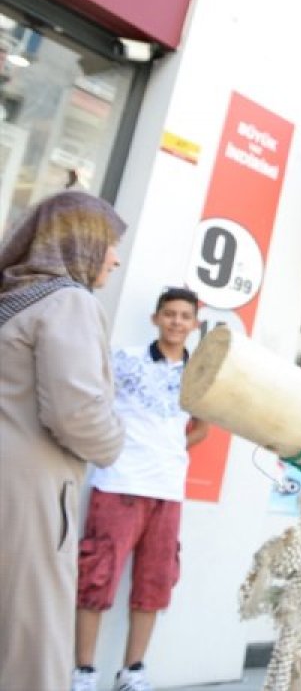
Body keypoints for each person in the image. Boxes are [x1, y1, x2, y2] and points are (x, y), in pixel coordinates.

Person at [0, 190, 126, 691]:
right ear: (81, 242)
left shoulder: (12, 300)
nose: (115, 257)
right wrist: (116, 442)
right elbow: (76, 413)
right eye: (109, 243)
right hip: (31, 493)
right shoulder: (68, 301)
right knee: (31, 644)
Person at [71, 287, 209, 691]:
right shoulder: (124, 359)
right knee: (95, 580)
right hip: (118, 484)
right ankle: (83, 672)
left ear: (195, 324)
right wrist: (118, 448)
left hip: (168, 491)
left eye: (185, 316)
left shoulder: (198, 373)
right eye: (169, 314)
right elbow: (94, 406)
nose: (176, 322)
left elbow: (201, 427)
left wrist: (168, 449)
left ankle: (133, 671)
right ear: (156, 318)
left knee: (155, 584)